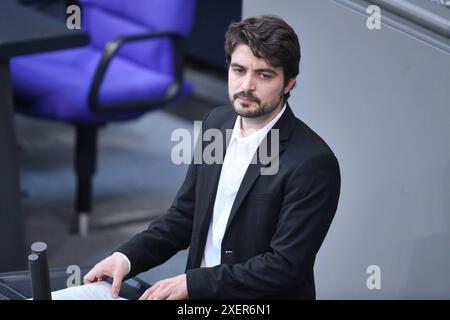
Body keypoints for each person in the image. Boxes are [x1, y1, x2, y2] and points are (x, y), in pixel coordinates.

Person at [55, 15, 341, 300]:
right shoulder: (216, 123)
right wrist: (126, 258)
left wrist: (193, 284)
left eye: (264, 75)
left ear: (289, 83)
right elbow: (185, 215)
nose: (247, 85)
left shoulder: (312, 163)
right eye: (238, 70)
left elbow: (283, 267)